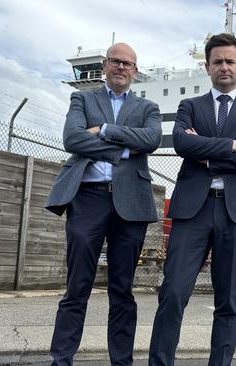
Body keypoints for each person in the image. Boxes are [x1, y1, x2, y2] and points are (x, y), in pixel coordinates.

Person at [148, 33, 236, 366]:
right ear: (207, 67)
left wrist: (207, 153)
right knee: (172, 292)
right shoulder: (190, 106)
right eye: (217, 61)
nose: (224, 67)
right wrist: (233, 146)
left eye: (230, 61)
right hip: (193, 211)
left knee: (228, 301)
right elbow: (182, 145)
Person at [45, 42, 162, 366]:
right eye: (115, 61)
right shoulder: (82, 98)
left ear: (135, 71)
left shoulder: (147, 108)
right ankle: (61, 360)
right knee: (77, 286)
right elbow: (73, 139)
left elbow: (151, 140)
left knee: (122, 290)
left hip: (131, 205)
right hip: (88, 199)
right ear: (105, 65)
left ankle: (121, 362)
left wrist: (106, 130)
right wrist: (123, 149)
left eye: (128, 63)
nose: (121, 67)